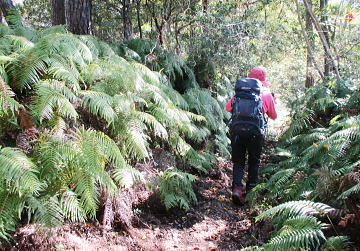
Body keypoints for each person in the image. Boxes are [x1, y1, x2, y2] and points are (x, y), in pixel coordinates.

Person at [225, 67, 277, 205]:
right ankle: (251, 192)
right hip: (255, 133)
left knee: (239, 162)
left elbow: (227, 108)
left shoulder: (240, 93)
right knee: (254, 161)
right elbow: (274, 116)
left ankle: (237, 190)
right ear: (264, 79)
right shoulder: (266, 94)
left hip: (237, 131)